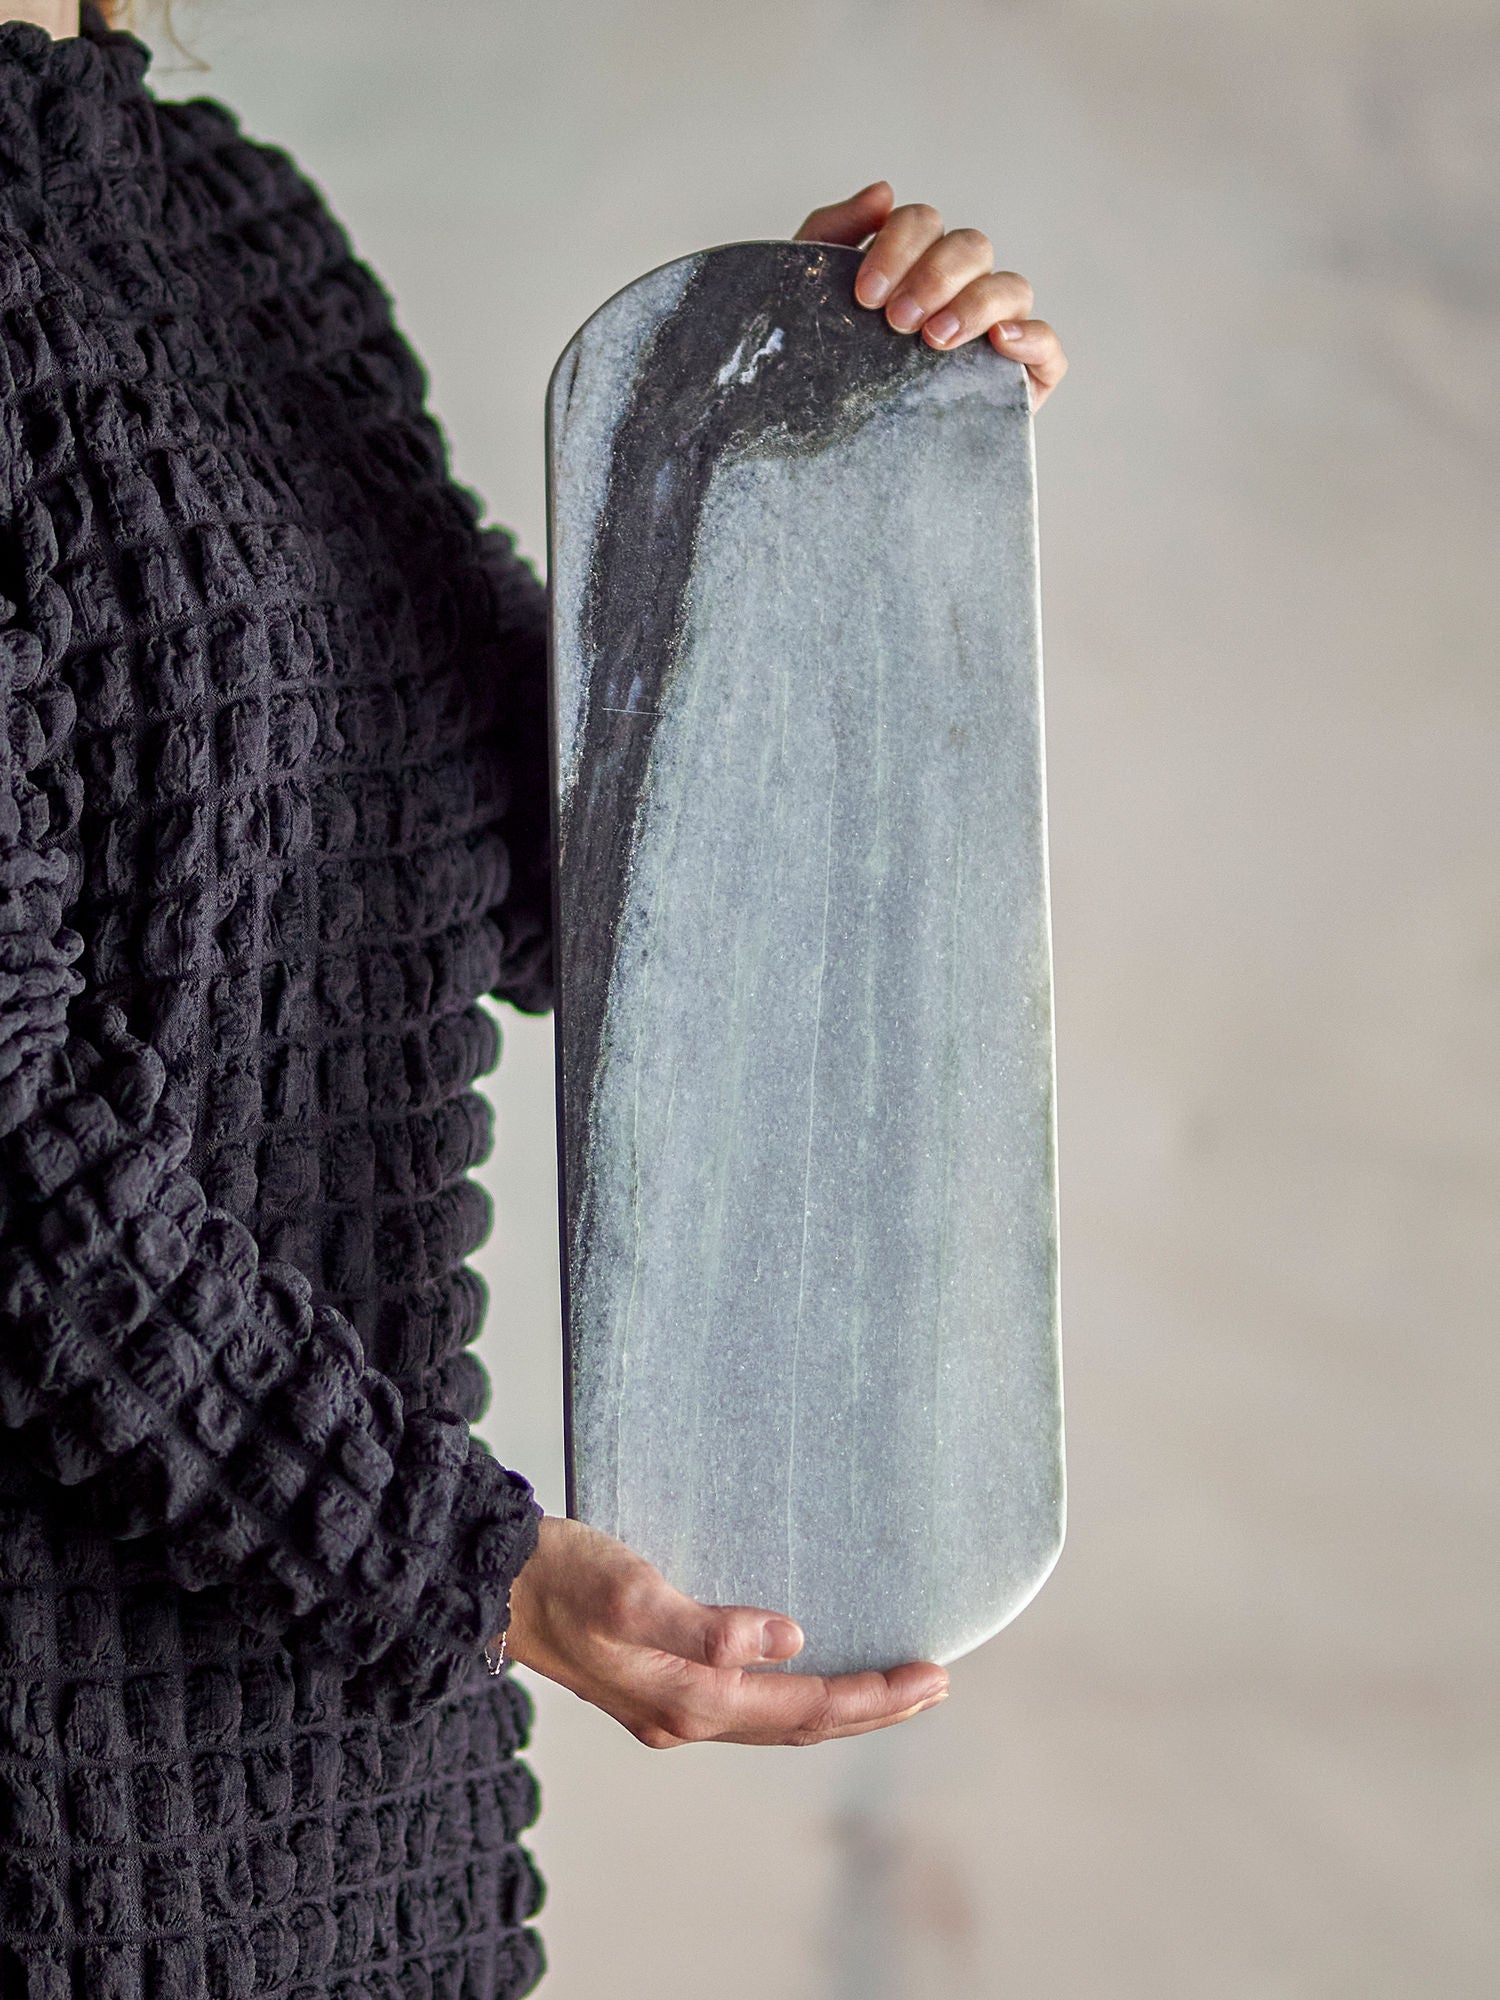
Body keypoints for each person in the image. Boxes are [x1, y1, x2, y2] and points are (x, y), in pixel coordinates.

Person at [0, 3, 1069, 1994]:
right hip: (61, 1814)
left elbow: (562, 879)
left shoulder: (229, 220)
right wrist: (460, 1564)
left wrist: (809, 443)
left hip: (358, 1812)